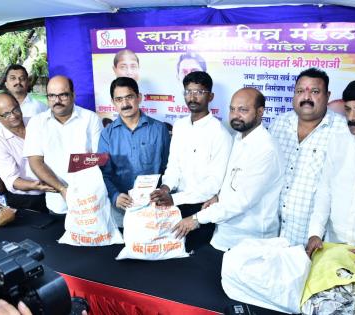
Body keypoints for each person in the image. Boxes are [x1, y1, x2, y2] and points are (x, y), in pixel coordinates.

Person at [173, 88, 284, 251]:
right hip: (225, 234)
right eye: (232, 109)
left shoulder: (265, 150)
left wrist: (196, 219)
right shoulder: (238, 138)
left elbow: (242, 201)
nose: (235, 115)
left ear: (260, 112)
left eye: (243, 110)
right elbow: (233, 180)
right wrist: (218, 196)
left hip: (250, 242)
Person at [306, 76, 355, 281]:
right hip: (334, 251)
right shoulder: (339, 142)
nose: (352, 117)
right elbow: (325, 190)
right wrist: (315, 233)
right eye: (348, 109)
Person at [150, 71, 232, 250]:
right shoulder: (179, 126)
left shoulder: (220, 134)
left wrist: (173, 198)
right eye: (188, 91)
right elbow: (173, 166)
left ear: (210, 96)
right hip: (173, 205)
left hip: (200, 210)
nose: (192, 97)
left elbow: (213, 184)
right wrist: (165, 188)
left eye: (199, 92)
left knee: (191, 261)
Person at [269, 67, 347, 246]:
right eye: (300, 91)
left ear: (327, 96)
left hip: (313, 237)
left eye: (315, 91)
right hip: (272, 231)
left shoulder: (342, 131)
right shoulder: (279, 123)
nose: (306, 97)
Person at [23, 75, 102, 214]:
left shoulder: (91, 119)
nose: (57, 101)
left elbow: (98, 158)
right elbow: (35, 162)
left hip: (89, 199)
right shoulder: (36, 123)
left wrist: (80, 188)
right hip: (57, 202)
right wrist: (62, 189)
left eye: (63, 95)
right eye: (52, 96)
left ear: (73, 95)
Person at [99, 77, 170, 226]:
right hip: (121, 208)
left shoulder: (159, 129)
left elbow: (168, 167)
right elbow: (103, 173)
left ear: (139, 97)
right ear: (113, 103)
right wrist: (114, 195)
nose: (125, 104)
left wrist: (163, 192)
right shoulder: (107, 134)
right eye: (119, 99)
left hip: (154, 207)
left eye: (129, 97)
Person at [0, 92, 55, 212]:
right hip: (27, 199)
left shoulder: (36, 123)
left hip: (55, 188)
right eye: (6, 114)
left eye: (15, 109)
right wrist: (36, 185)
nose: (13, 116)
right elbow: (12, 180)